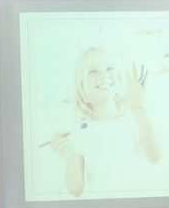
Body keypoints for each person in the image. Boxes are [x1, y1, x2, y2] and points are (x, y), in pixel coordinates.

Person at [49, 47, 161, 196]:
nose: (103, 75)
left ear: (118, 78)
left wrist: (138, 108)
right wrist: (70, 158)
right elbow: (75, 191)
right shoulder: (77, 131)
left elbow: (155, 157)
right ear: (80, 85)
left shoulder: (133, 117)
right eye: (92, 71)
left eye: (109, 68)